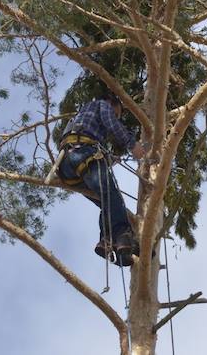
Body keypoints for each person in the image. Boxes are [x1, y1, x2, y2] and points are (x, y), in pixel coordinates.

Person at [57, 91, 146, 266]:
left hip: (67, 165)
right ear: (112, 103)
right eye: (117, 112)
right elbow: (110, 122)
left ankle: (108, 243)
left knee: (106, 202)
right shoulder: (102, 104)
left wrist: (109, 159)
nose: (116, 115)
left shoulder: (80, 118)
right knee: (113, 196)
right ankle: (123, 237)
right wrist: (132, 144)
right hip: (82, 152)